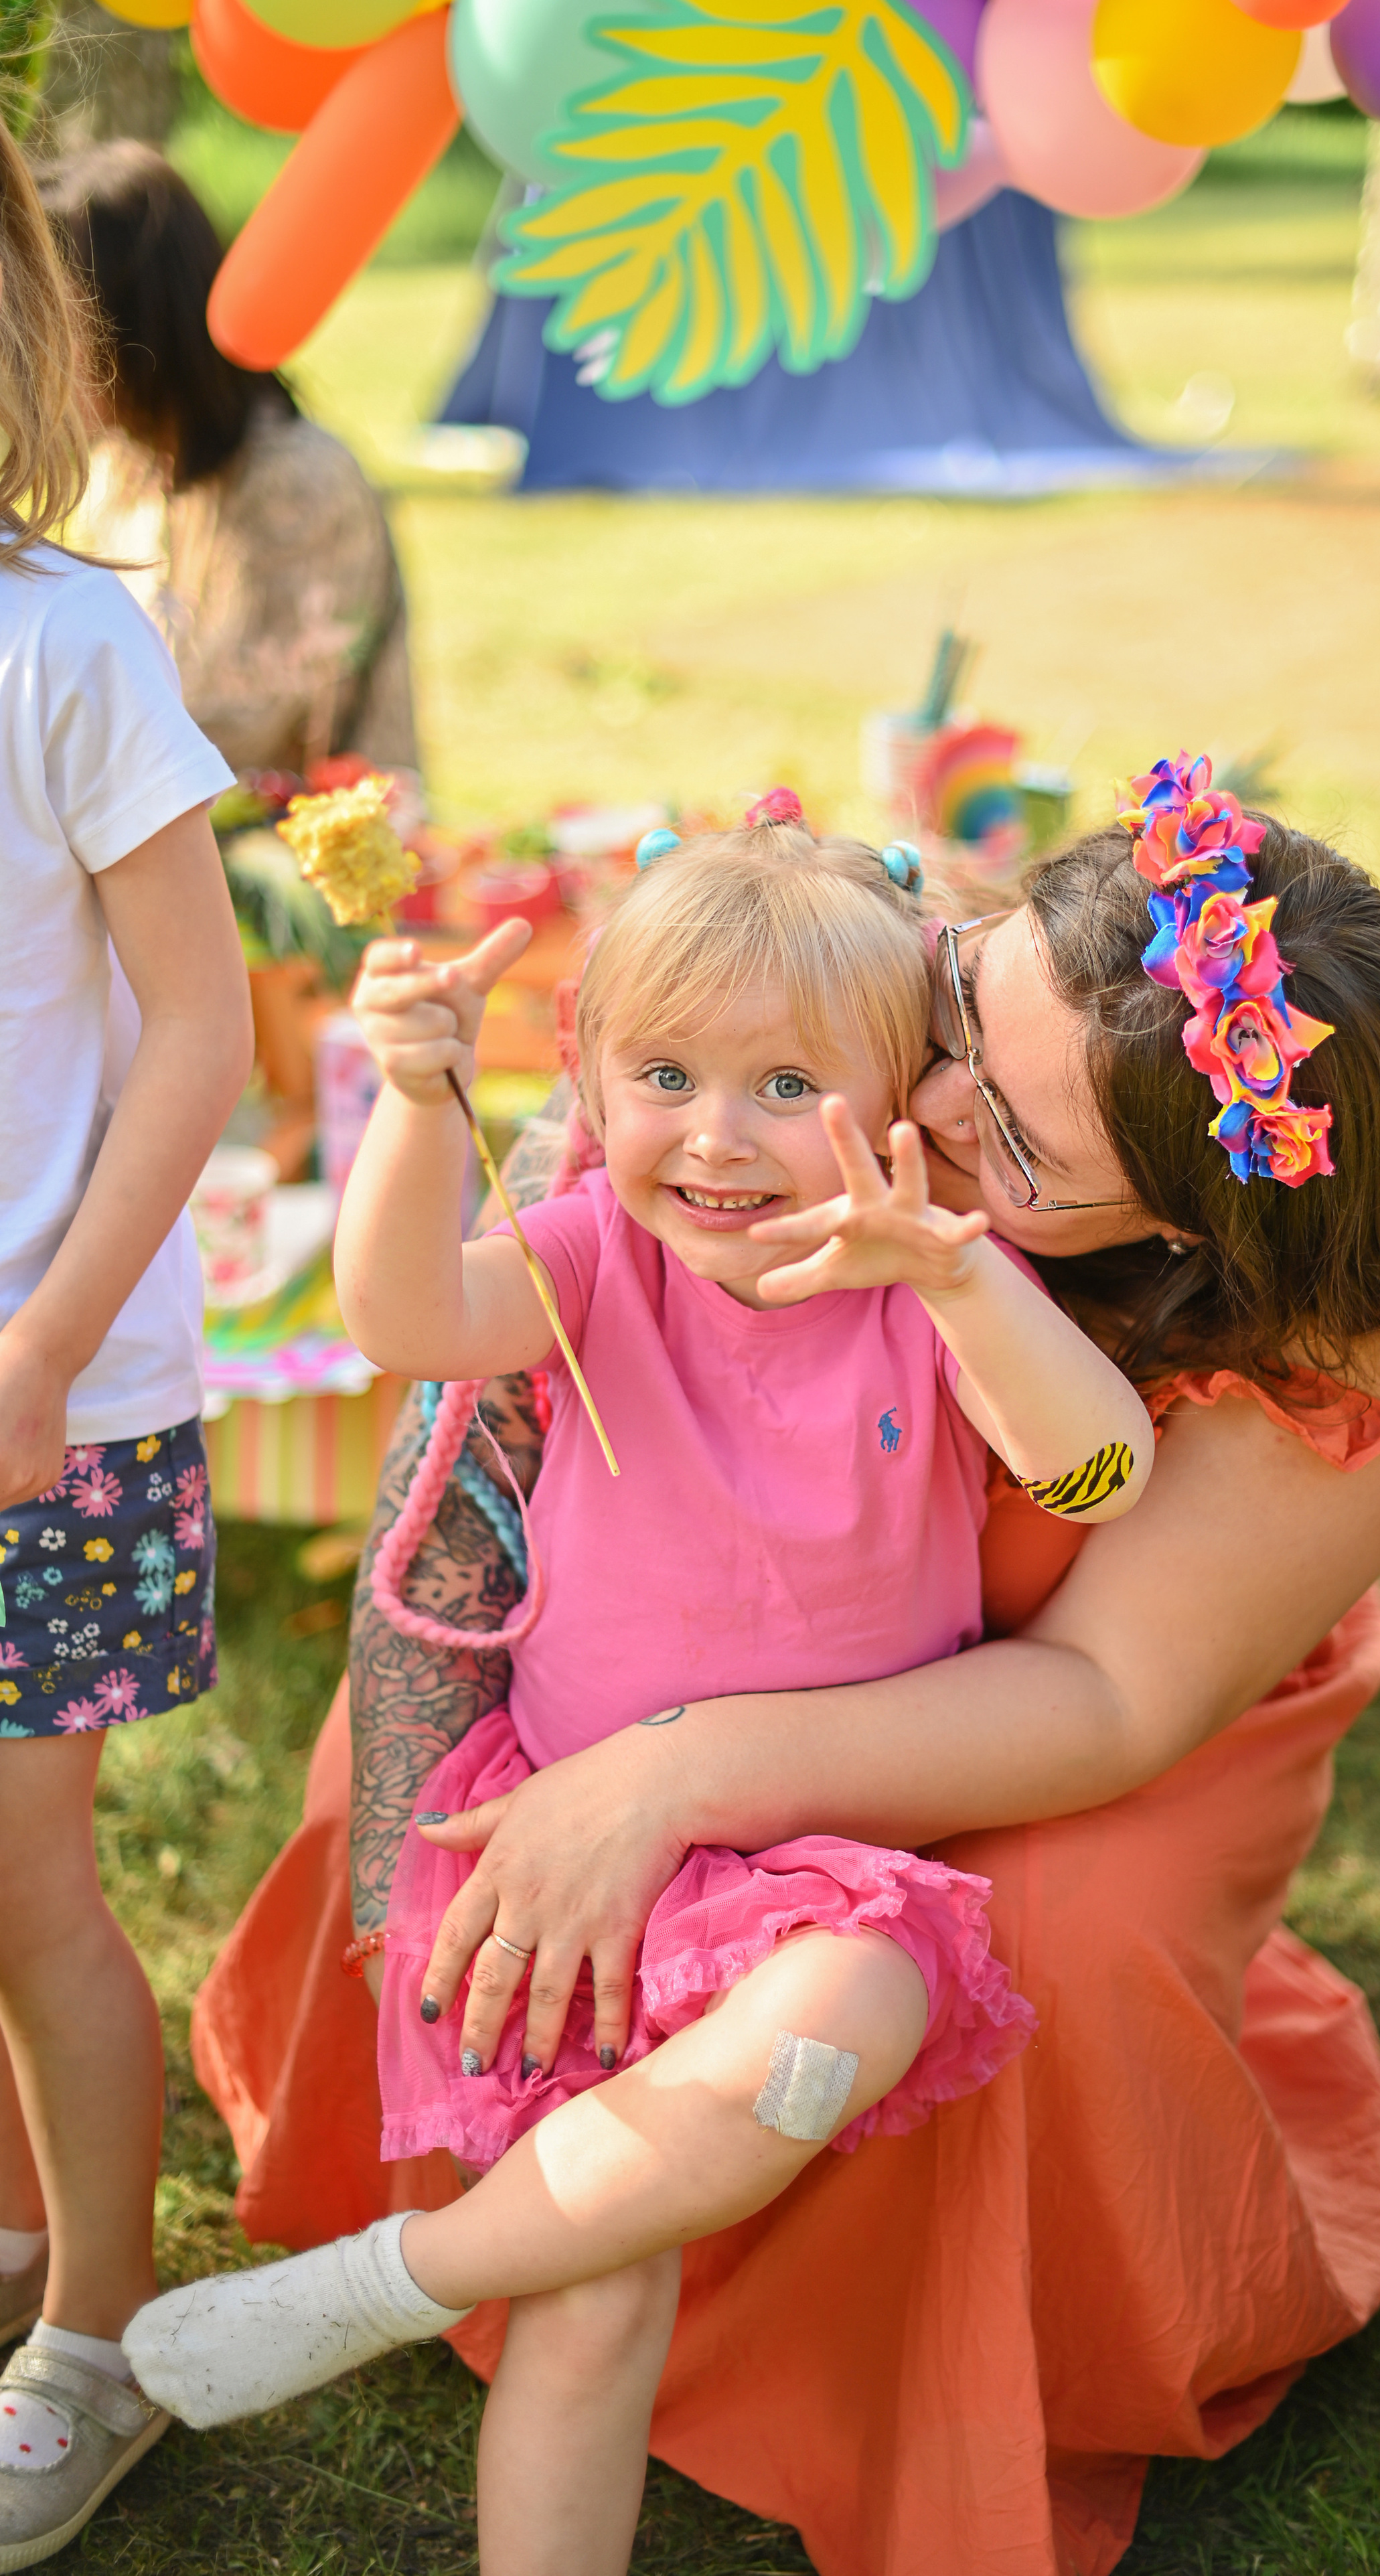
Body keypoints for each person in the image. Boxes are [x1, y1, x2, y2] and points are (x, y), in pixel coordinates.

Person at [186, 755, 1380, 2576]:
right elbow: (472, 1290)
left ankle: (781, 2327)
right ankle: (552, 2206)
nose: (927, 1096)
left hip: (1089, 1693)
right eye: (962, 1008)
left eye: (1021, 1142)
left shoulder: (1316, 1345)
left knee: (1051, 1930)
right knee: (415, 1784)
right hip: (742, 1602)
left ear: (1182, 1226)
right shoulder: (831, 1066)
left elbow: (1102, 1686)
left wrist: (672, 1768)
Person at [127, 799, 1153, 2569]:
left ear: (899, 1098)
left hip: (800, 1852)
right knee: (595, 2300)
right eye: (665, 1072)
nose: (719, 1137)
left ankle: (389, 2281)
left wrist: (964, 1276)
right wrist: (416, 1097)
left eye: (784, 1085)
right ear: (594, 1085)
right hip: (565, 1835)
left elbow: (1101, 1474)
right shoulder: (599, 1254)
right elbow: (401, 1320)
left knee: (840, 2018)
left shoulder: (915, 1287)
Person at [0, 121, 252, 2572]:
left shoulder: (66, 641)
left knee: (28, 1884)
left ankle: (95, 2338)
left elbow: (199, 1033)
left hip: (37, 1394)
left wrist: (43, 1339)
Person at [40, 140, 417, 783]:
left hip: (302, 859)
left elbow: (230, 729)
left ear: (135, 325)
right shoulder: (116, 470)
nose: (29, 360)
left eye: (54, 325)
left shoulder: (299, 483)